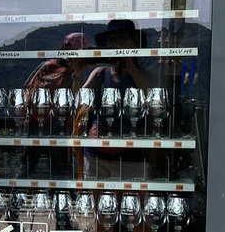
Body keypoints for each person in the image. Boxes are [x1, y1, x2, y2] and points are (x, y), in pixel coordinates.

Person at [76, 19, 157, 180]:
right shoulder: (99, 73)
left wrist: (132, 71)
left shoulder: (147, 76)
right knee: (95, 204)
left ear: (135, 44)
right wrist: (78, 73)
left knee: (131, 203)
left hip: (133, 156)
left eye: (122, 38)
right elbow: (76, 102)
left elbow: (155, 105)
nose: (115, 44)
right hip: (95, 154)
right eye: (111, 40)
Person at [19, 31, 96, 177]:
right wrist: (79, 73)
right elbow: (76, 98)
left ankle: (15, 194)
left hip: (35, 122)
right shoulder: (72, 70)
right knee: (59, 168)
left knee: (27, 164)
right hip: (59, 124)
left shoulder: (48, 64)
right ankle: (58, 197)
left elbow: (27, 88)